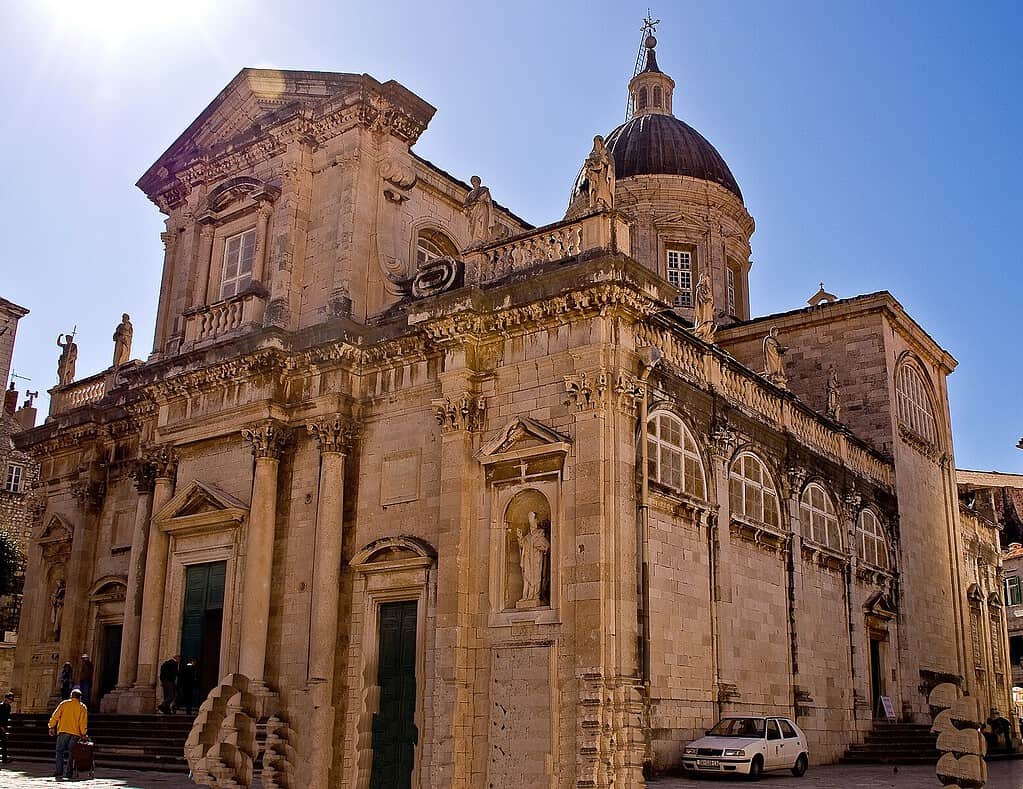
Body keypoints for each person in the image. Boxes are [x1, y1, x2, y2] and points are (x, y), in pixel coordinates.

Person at [48, 687, 87, 780]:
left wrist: (51, 726)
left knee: (59, 751)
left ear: (71, 696)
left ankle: (58, 771)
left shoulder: (64, 704)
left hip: (63, 731)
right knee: (72, 753)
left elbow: (55, 715)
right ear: (80, 697)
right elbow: (83, 722)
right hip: (75, 733)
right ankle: (69, 772)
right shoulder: (82, 707)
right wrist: (84, 733)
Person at [0, 691, 13, 764]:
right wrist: (1, 727)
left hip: (4, 727)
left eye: (11, 700)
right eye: (9, 699)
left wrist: (5, 727)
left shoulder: (9, 707)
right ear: (6, 699)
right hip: (0, 726)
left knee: (4, 743)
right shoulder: (1, 706)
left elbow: (6, 718)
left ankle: (4, 759)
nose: (10, 701)